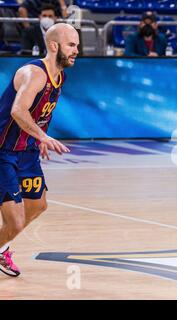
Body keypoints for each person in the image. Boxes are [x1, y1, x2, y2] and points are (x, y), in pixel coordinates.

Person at [0, 23, 78, 277]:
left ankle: (2, 248)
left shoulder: (60, 76)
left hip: (27, 151)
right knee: (16, 221)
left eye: (77, 45)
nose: (76, 50)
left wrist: (39, 139)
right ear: (54, 46)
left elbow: (42, 112)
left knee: (38, 205)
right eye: (71, 45)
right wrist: (43, 135)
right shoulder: (35, 73)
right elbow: (18, 110)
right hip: (4, 151)